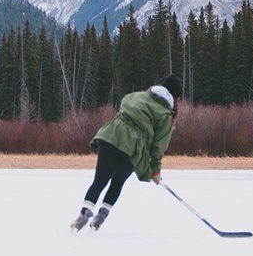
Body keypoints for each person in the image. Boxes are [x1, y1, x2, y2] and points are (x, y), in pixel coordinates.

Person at [71, 74, 183, 231]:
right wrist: (155, 170)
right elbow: (158, 146)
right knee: (117, 182)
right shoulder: (166, 115)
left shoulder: (135, 96)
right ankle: (100, 218)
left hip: (111, 136)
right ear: (174, 98)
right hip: (133, 148)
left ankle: (82, 216)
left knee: (100, 180)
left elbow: (124, 105)